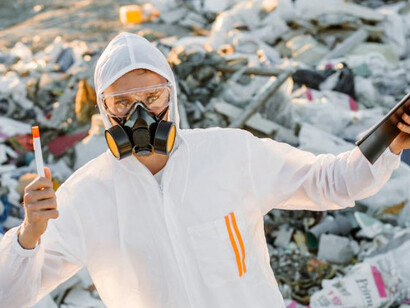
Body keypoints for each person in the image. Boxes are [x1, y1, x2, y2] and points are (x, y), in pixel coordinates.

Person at [0, 32, 408, 308]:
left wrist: (390, 137)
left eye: (152, 96)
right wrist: (28, 236)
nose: (140, 113)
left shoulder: (230, 152)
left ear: (172, 96)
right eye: (123, 103)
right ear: (104, 110)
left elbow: (333, 182)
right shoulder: (86, 194)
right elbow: (10, 296)